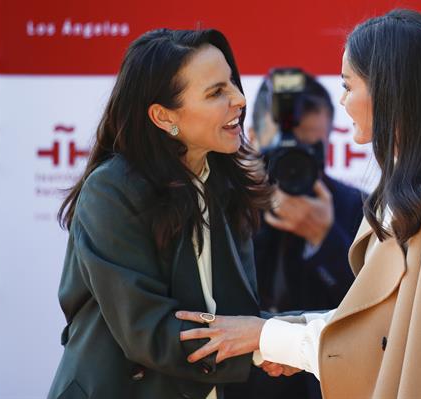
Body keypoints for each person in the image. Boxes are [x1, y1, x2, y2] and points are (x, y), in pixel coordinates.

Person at [176, 9, 421, 399]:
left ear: (390, 91)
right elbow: (381, 331)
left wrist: (269, 330)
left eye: (348, 85)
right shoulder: (413, 196)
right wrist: (276, 338)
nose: (343, 100)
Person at [47, 28, 273, 399]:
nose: (239, 98)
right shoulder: (111, 190)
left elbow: (236, 314)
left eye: (232, 82)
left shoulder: (225, 184)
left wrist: (290, 338)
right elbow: (148, 331)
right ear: (163, 116)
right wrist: (266, 347)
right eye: (216, 92)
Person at [228, 73, 364, 399]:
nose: (295, 161)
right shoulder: (222, 204)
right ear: (251, 136)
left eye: (311, 148)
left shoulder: (358, 208)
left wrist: (325, 239)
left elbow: (367, 317)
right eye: (284, 149)